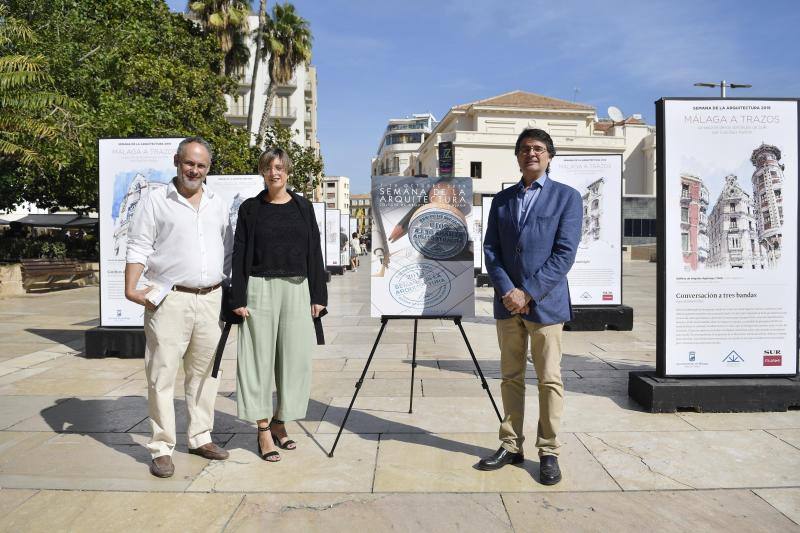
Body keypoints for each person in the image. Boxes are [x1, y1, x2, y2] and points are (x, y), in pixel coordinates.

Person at [479, 128, 582, 485]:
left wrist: (529, 292)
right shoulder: (502, 200)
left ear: (550, 156)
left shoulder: (567, 198)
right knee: (510, 376)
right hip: (508, 305)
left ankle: (549, 450)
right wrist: (509, 290)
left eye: (538, 148)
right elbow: (491, 250)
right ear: (518, 156)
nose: (531, 154)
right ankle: (511, 444)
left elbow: (564, 254)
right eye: (524, 149)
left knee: (549, 379)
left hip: (545, 306)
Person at [125, 136, 232, 478]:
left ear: (208, 168)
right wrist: (131, 288)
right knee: (162, 374)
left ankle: (200, 436)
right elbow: (139, 245)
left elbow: (227, 249)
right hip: (169, 298)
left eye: (201, 165)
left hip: (211, 299)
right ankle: (161, 447)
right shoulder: (156, 201)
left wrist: (229, 292)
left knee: (204, 375)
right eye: (189, 163)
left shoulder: (218, 202)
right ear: (176, 161)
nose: (195, 170)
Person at [230, 147, 327, 462]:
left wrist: (319, 296)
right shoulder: (250, 209)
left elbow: (314, 250)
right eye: (269, 167)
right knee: (256, 361)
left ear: (288, 172)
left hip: (297, 288)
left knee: (295, 361)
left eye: (280, 167)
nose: (275, 173)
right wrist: (238, 297)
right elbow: (239, 253)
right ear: (262, 171)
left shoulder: (303, 207)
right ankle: (262, 429)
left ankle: (280, 422)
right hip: (259, 289)